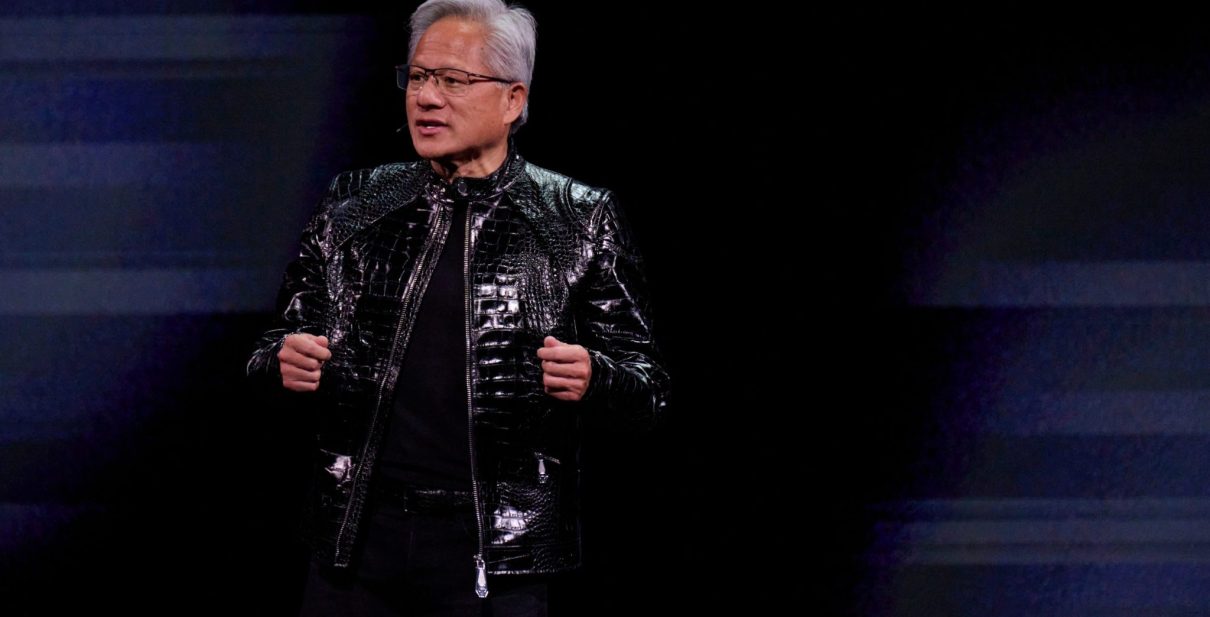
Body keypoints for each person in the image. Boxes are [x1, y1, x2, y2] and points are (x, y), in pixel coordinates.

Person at [246, 0, 670, 614]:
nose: (426, 98)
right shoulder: (355, 202)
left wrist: (594, 377)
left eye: (454, 80)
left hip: (495, 549)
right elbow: (271, 352)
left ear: (513, 100)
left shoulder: (578, 217)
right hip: (355, 543)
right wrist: (281, 363)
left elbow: (648, 392)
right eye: (418, 77)